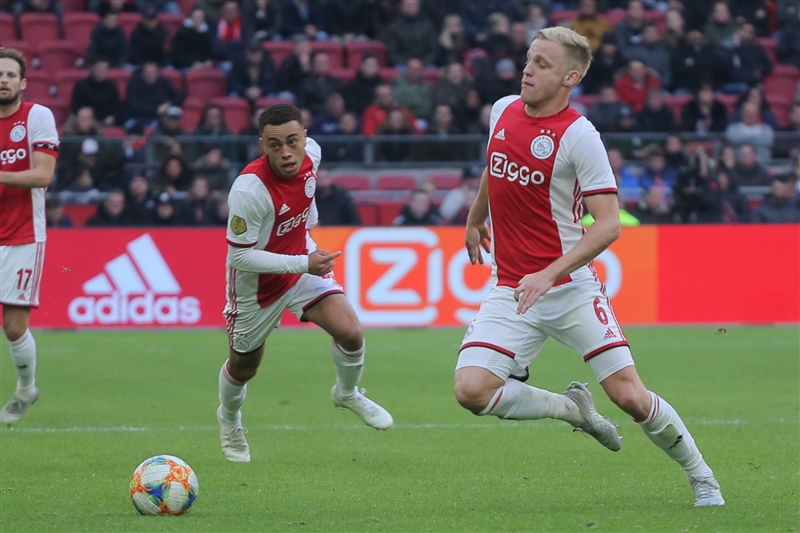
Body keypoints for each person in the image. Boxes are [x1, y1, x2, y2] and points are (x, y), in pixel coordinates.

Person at [453, 27, 724, 507]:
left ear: (570, 77)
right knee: (471, 390)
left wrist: (550, 272)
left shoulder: (580, 136)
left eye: (542, 64)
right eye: (529, 59)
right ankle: (572, 411)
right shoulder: (502, 110)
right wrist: (476, 218)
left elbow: (607, 226)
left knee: (631, 398)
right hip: (513, 286)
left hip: (569, 287)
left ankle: (701, 474)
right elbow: (493, 169)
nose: (527, 69)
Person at [217, 104, 393, 462]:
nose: (285, 152)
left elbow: (305, 202)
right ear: (263, 145)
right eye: (274, 145)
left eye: (292, 142)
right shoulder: (249, 190)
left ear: (305, 139)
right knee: (244, 366)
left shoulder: (312, 156)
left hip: (301, 265)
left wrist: (305, 247)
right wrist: (302, 262)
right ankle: (230, 418)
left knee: (351, 333)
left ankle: (347, 393)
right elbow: (239, 257)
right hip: (257, 287)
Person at [0, 47, 60, 424]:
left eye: (8, 74)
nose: (2, 80)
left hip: (22, 234)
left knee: (13, 326)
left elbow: (43, 175)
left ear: (21, 82)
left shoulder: (37, 116)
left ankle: (26, 388)